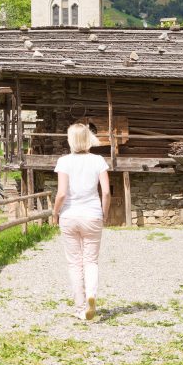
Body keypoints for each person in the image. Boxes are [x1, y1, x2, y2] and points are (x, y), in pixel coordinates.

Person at [52, 123, 111, 320]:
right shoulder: (99, 160)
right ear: (88, 138)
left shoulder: (64, 161)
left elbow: (61, 194)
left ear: (70, 139)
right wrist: (105, 213)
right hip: (92, 215)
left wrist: (55, 213)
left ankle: (79, 307)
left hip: (69, 216)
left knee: (74, 263)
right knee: (91, 261)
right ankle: (91, 296)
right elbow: (106, 192)